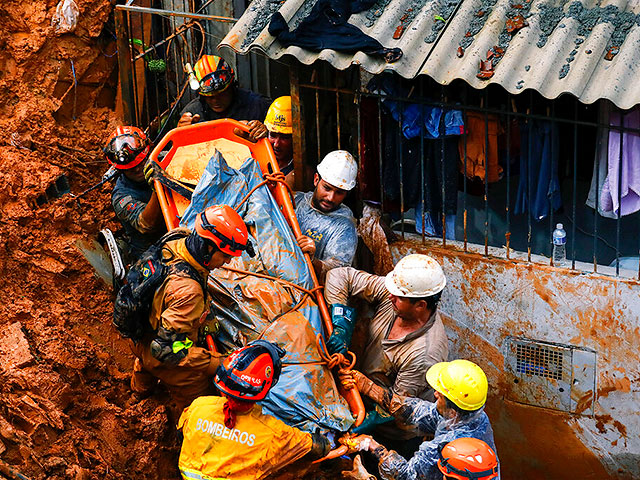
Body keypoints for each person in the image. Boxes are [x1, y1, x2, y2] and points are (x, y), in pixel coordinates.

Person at [129, 205, 254, 411]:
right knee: (199, 406)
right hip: (162, 355)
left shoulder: (178, 238)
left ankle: (139, 391)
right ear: (209, 247)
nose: (227, 262)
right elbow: (167, 350)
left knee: (144, 363)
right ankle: (182, 431)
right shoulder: (188, 291)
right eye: (224, 256)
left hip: (139, 333)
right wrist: (219, 362)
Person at [326, 254, 449, 454]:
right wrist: (341, 326)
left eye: (398, 297)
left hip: (395, 433)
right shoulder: (396, 294)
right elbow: (338, 276)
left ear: (420, 305)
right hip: (360, 399)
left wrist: (362, 405)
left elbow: (401, 408)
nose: (390, 296)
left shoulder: (425, 354)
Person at [178, 340, 332, 480]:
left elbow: (181, 433)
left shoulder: (198, 406)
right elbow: (317, 448)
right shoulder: (273, 432)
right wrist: (321, 441)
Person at [348, 360, 499, 480]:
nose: (435, 394)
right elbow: (417, 412)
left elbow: (407, 476)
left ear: (452, 412)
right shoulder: (473, 417)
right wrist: (369, 388)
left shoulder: (445, 448)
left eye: (441, 395)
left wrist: (372, 446)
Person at [177, 55, 271, 141]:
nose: (215, 100)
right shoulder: (193, 112)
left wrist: (266, 130)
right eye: (210, 97)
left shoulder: (257, 105)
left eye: (221, 94)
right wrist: (180, 134)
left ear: (231, 86)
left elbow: (280, 138)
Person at [105, 126, 165, 262]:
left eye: (141, 163)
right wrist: (158, 186)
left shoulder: (163, 159)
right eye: (131, 169)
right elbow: (147, 224)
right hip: (152, 251)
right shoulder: (121, 196)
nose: (138, 169)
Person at [295, 150, 358, 278]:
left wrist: (313, 261)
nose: (330, 198)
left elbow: (338, 272)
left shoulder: (345, 226)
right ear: (316, 180)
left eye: (339, 192)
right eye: (327, 188)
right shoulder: (296, 200)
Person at [264, 96, 295, 190]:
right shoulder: (260, 155)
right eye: (273, 135)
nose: (276, 144)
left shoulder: (297, 174)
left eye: (284, 138)